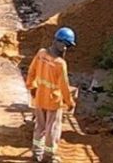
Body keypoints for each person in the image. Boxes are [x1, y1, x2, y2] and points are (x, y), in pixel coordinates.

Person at [26, 27, 77, 163]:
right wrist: (70, 102)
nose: (66, 49)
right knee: (52, 130)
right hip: (53, 101)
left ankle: (36, 153)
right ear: (60, 43)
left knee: (39, 127)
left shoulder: (41, 54)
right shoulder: (60, 63)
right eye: (66, 45)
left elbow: (31, 71)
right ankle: (49, 156)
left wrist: (31, 86)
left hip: (39, 98)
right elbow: (64, 86)